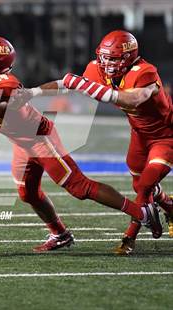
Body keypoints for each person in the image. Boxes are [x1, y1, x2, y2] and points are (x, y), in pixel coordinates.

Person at [0, 35, 162, 252]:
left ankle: (141, 213)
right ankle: (60, 234)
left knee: (80, 187)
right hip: (21, 143)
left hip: (40, 139)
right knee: (28, 193)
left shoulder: (7, 83)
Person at [22, 30, 172, 255]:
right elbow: (67, 83)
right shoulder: (96, 69)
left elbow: (134, 98)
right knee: (140, 185)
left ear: (129, 57)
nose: (107, 63)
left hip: (165, 136)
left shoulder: (145, 72)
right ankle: (169, 206)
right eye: (105, 57)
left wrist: (100, 90)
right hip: (139, 134)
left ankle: (129, 237)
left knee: (144, 185)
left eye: (113, 58)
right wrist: (32, 91)